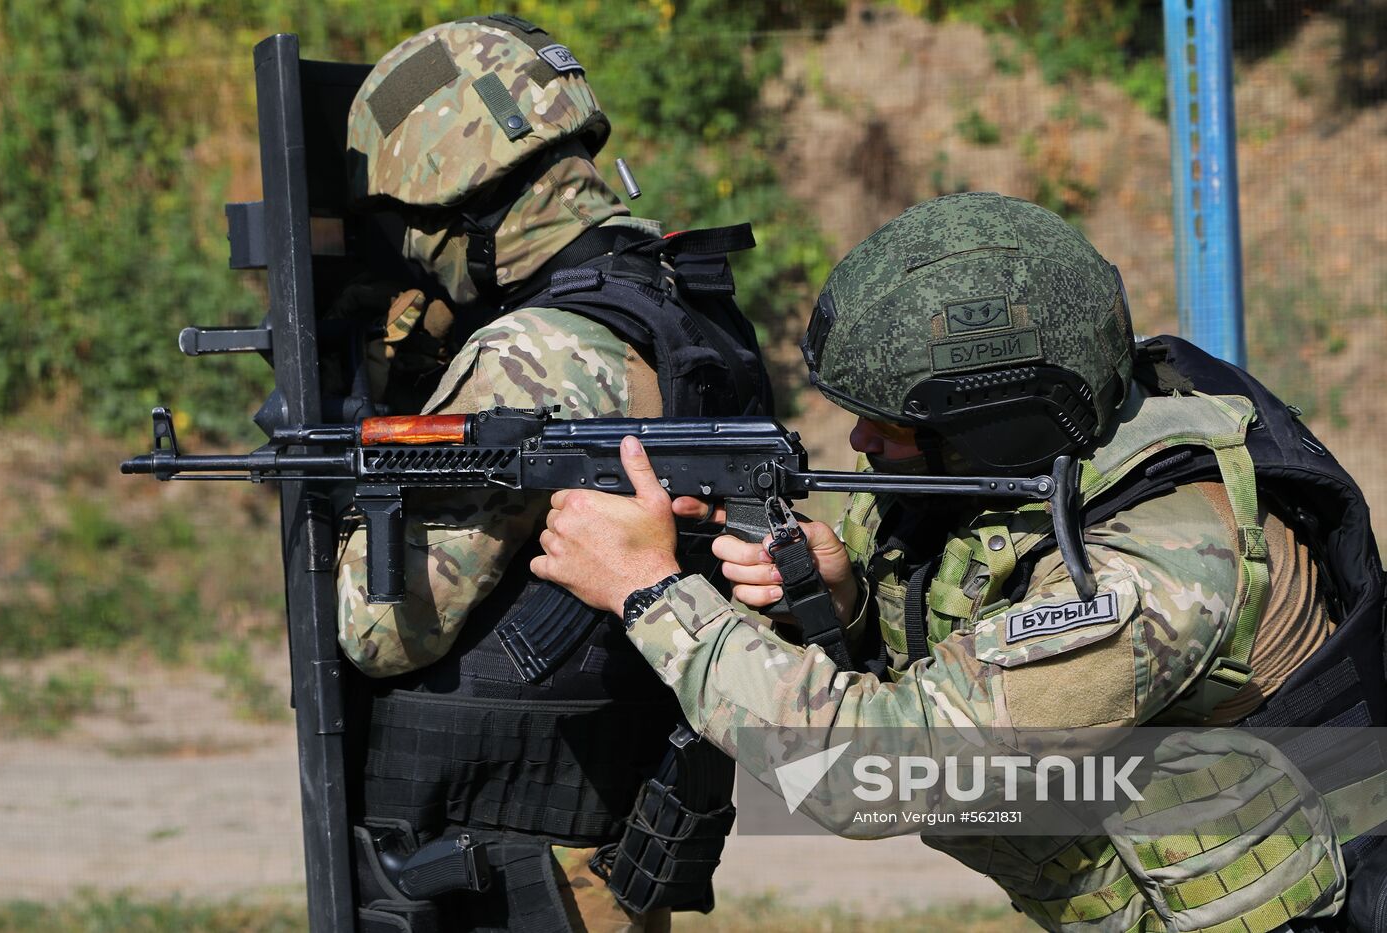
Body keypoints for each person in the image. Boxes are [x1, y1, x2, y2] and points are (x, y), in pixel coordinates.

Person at [532, 192, 1387, 931]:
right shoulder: (1046, 463)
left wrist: (649, 592)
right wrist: (845, 599)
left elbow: (871, 773)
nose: (859, 443)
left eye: (891, 426)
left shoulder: (1157, 570)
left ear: (999, 419)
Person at [335, 15, 771, 933]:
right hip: (607, 836)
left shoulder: (534, 351)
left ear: (459, 199)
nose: (411, 249)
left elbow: (384, 631)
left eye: (410, 225)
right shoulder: (680, 298)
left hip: (512, 869)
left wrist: (351, 454)